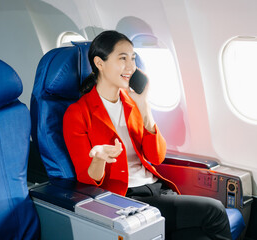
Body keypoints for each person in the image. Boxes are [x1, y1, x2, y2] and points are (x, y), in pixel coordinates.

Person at [63, 30, 232, 240]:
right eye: (122, 58)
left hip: (156, 189)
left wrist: (145, 109)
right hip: (124, 200)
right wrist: (98, 158)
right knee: (213, 210)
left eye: (133, 58)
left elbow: (156, 157)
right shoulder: (78, 113)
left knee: (200, 235)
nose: (131, 67)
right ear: (99, 63)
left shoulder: (132, 102)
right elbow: (87, 178)